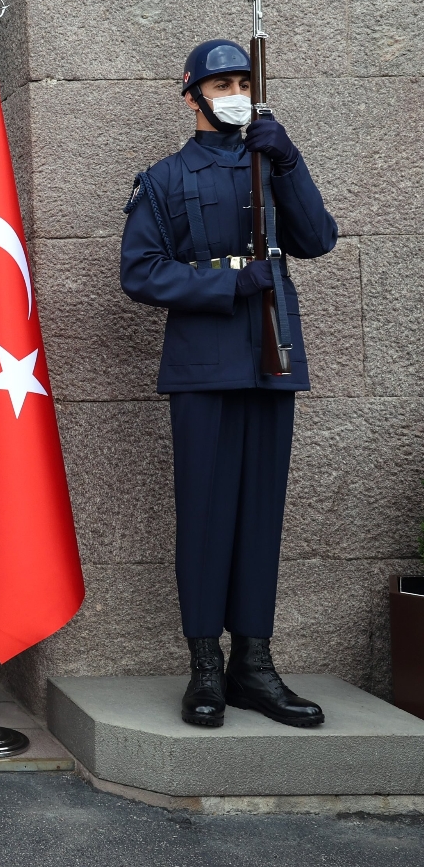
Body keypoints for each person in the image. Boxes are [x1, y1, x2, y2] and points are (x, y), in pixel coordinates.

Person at [121, 39, 338, 729]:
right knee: (207, 515)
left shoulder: (270, 163)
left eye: (244, 80)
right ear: (191, 96)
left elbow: (318, 238)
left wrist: (290, 158)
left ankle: (255, 664)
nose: (235, 92)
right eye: (221, 83)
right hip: (204, 363)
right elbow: (141, 272)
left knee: (260, 515)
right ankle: (206, 667)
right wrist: (225, 282)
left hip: (272, 359)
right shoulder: (161, 180)